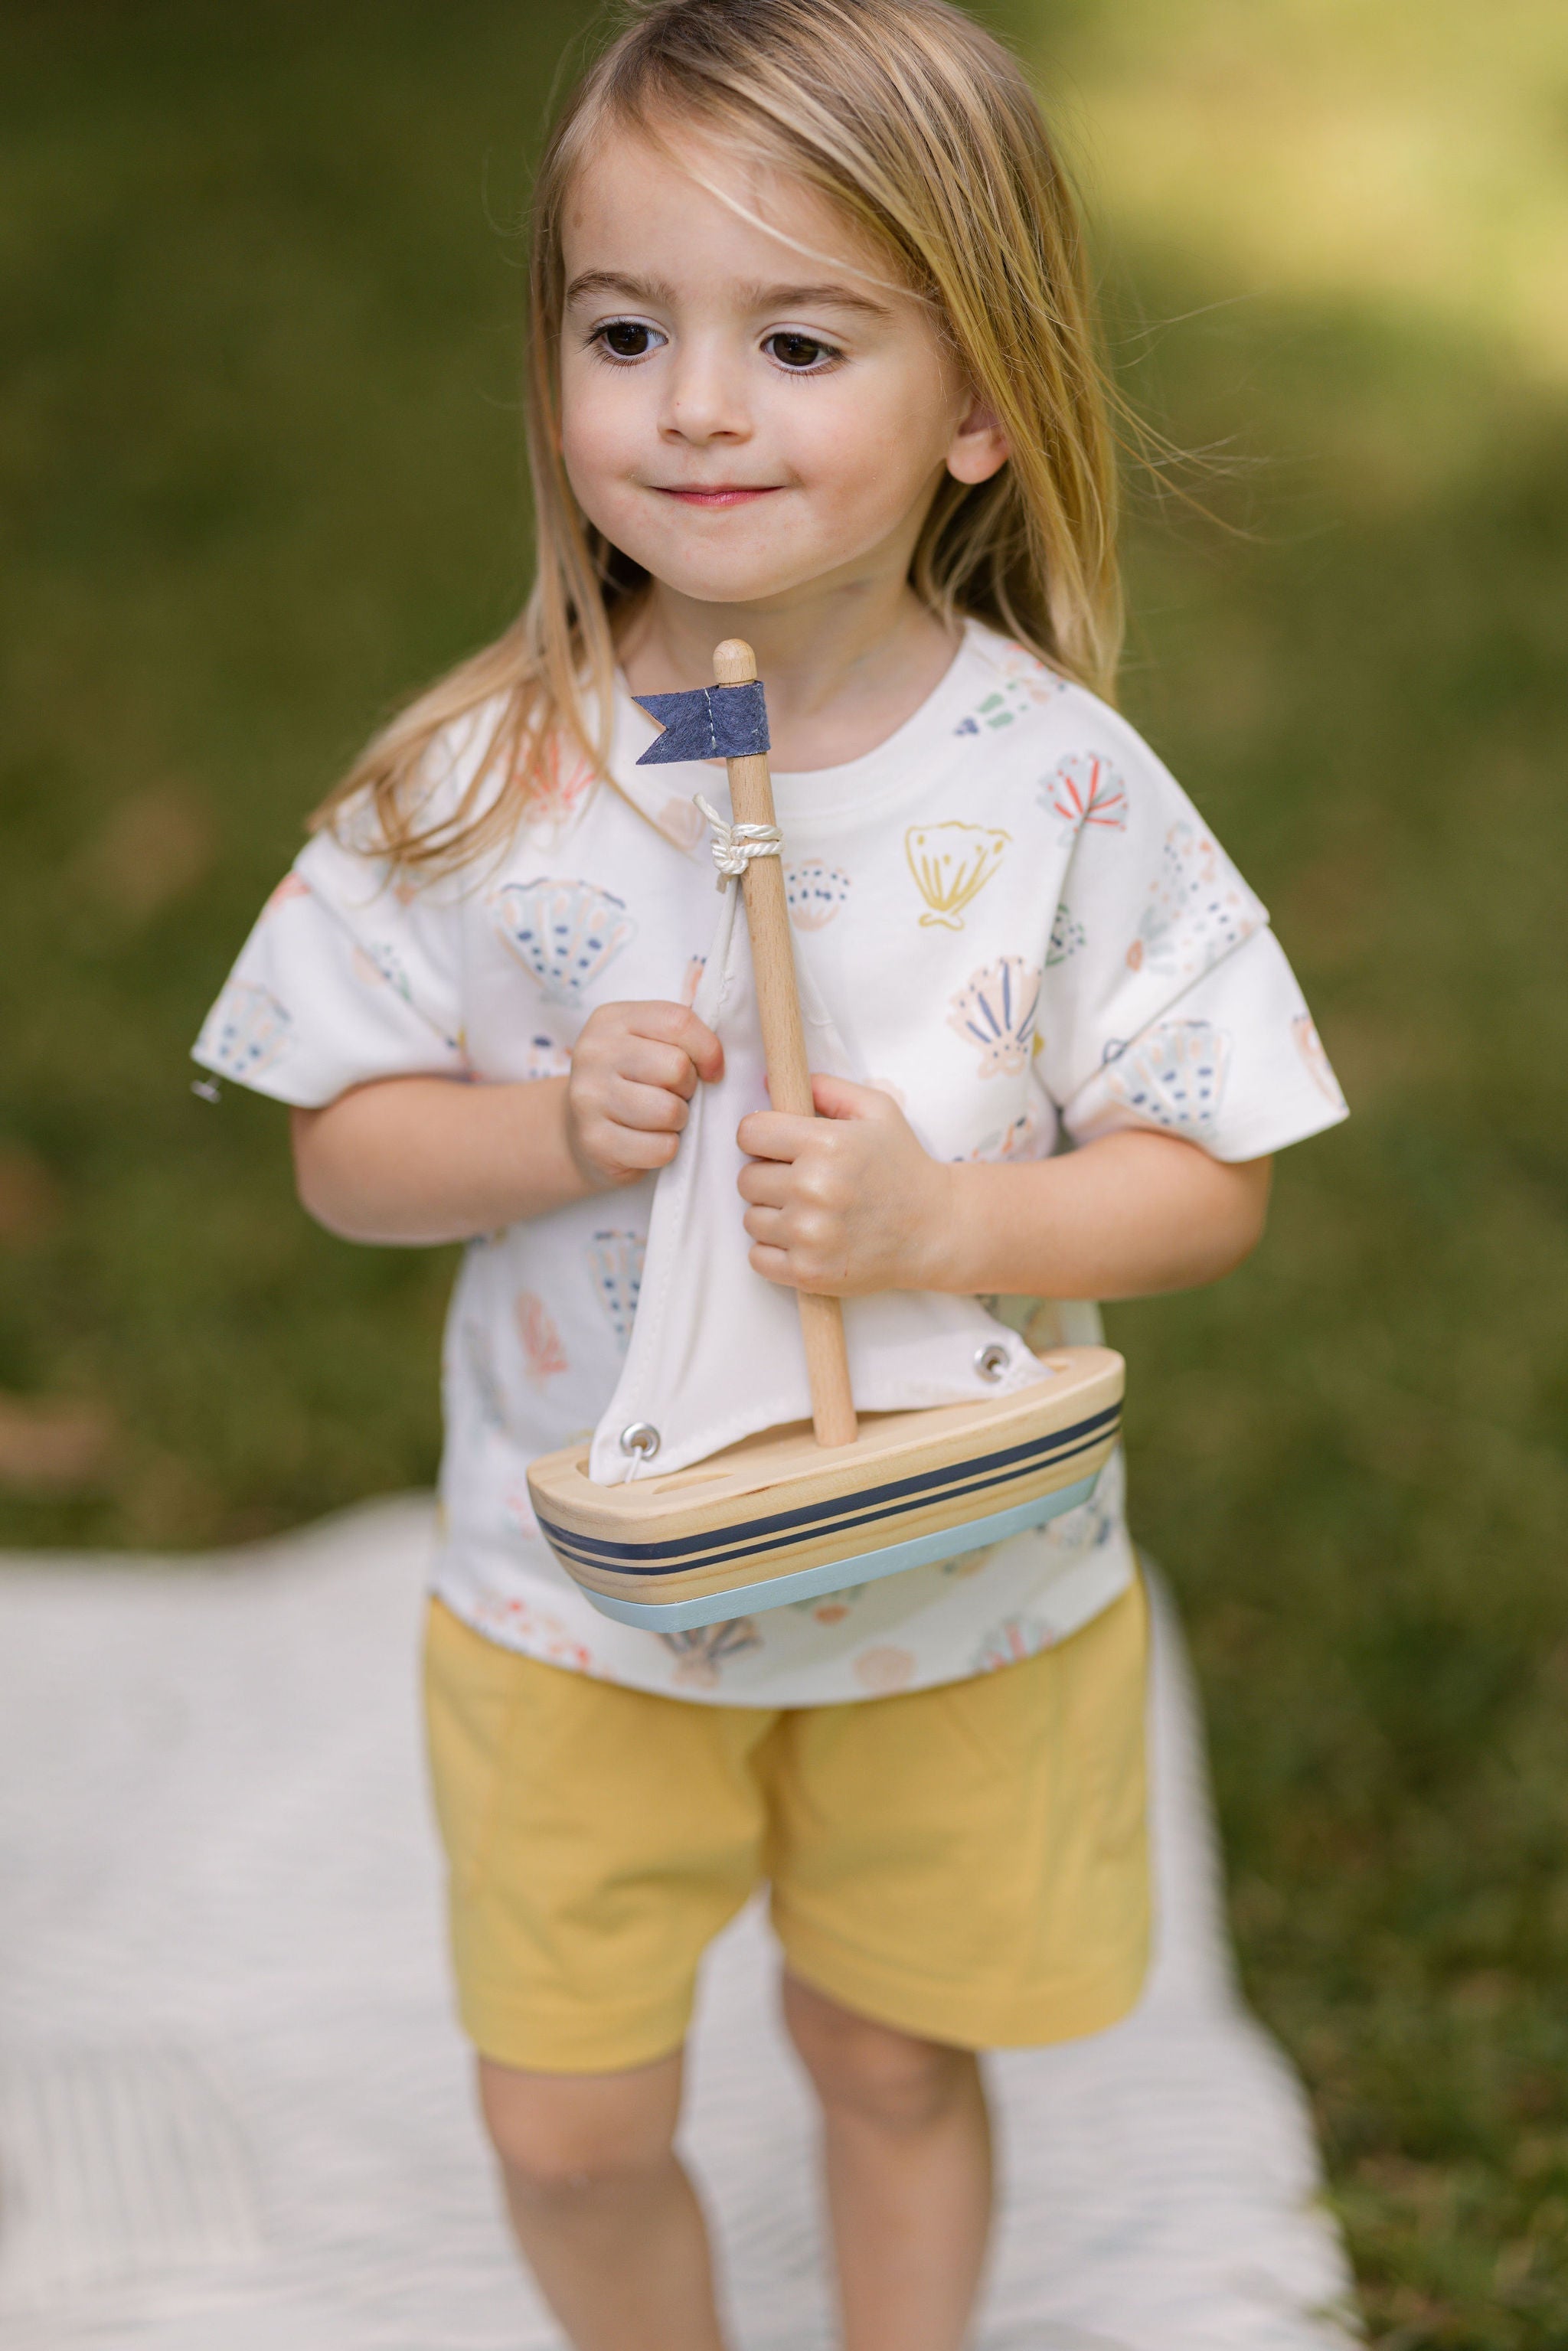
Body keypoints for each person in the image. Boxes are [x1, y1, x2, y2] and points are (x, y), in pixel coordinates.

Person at [194, 3, 1348, 2344]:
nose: (697, 406)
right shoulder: (479, 777)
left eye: (799, 342)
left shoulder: (1060, 786)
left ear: (979, 403)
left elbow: (1208, 1177)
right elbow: (341, 1152)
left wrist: (955, 1224)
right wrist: (546, 1129)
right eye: (628, 332)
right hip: (580, 1602)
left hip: (947, 1579)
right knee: (565, 2125)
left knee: (889, 2054)